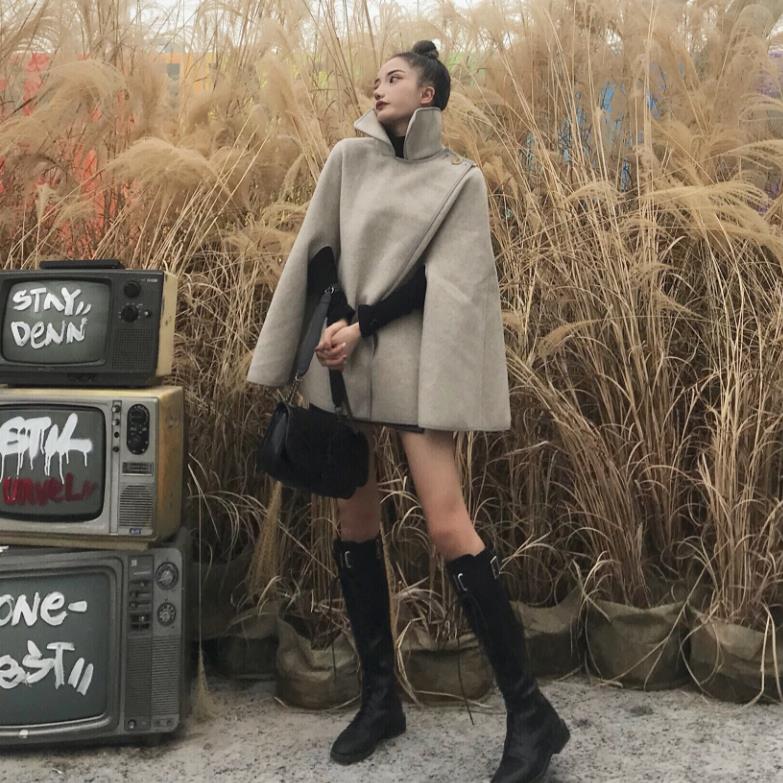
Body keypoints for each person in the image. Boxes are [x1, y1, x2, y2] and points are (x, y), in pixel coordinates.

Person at [248, 40, 570, 783]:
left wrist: (364, 322)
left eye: (394, 78)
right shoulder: (347, 159)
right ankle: (380, 700)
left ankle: (530, 714)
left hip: (412, 361)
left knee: (448, 523)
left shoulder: (460, 180)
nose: (378, 87)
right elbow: (318, 249)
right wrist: (336, 323)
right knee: (353, 522)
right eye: (376, 79)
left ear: (428, 94)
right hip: (344, 363)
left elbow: (445, 281)